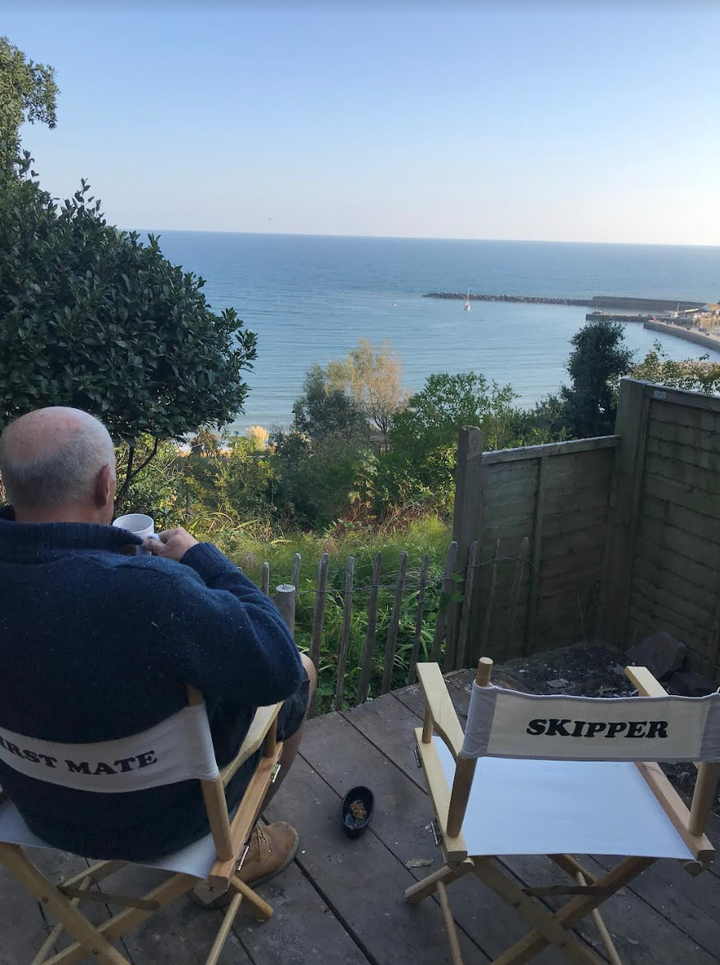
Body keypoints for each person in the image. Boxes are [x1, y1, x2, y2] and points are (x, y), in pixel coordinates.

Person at [0, 406, 315, 889]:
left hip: (37, 809)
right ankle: (243, 847)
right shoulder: (152, 591)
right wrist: (201, 558)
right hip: (165, 824)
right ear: (107, 485)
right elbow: (277, 665)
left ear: (12, 486)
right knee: (304, 670)